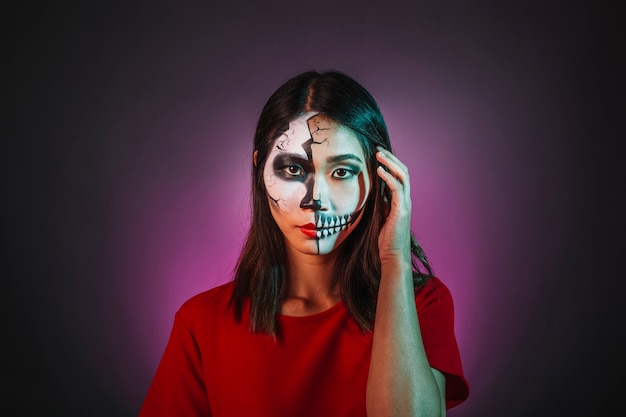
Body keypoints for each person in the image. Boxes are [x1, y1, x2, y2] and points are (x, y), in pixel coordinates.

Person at [138, 70, 469, 417]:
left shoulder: (420, 305)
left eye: (341, 172)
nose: (316, 200)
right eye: (294, 170)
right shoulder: (201, 323)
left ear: (378, 178)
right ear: (258, 169)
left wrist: (395, 257)